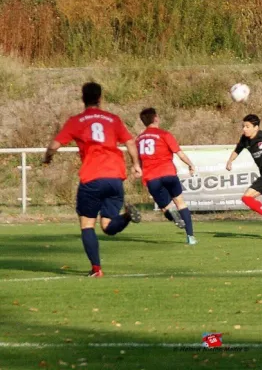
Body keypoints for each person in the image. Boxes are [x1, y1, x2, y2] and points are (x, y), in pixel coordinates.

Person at [43, 82, 142, 277]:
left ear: (83, 98)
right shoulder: (113, 119)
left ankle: (96, 269)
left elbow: (55, 144)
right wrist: (136, 164)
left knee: (87, 225)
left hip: (92, 178)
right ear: (100, 98)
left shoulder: (77, 121)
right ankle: (127, 216)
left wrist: (48, 157)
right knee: (107, 226)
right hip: (115, 178)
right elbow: (130, 141)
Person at [136, 107, 197, 245]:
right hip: (168, 173)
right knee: (180, 202)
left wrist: (138, 170)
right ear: (156, 118)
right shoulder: (164, 134)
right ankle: (190, 237)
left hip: (151, 178)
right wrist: (190, 164)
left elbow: (139, 161)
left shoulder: (139, 139)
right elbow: (179, 153)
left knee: (165, 207)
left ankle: (173, 216)